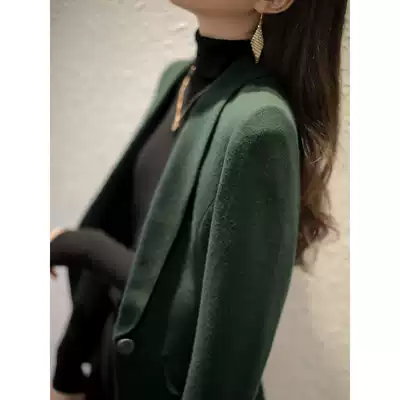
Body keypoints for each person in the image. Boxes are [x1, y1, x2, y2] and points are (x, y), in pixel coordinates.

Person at [50, 0, 347, 399]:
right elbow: (124, 225)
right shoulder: (177, 80)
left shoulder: (259, 125)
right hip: (112, 368)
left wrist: (84, 248)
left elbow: (220, 347)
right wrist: (68, 369)